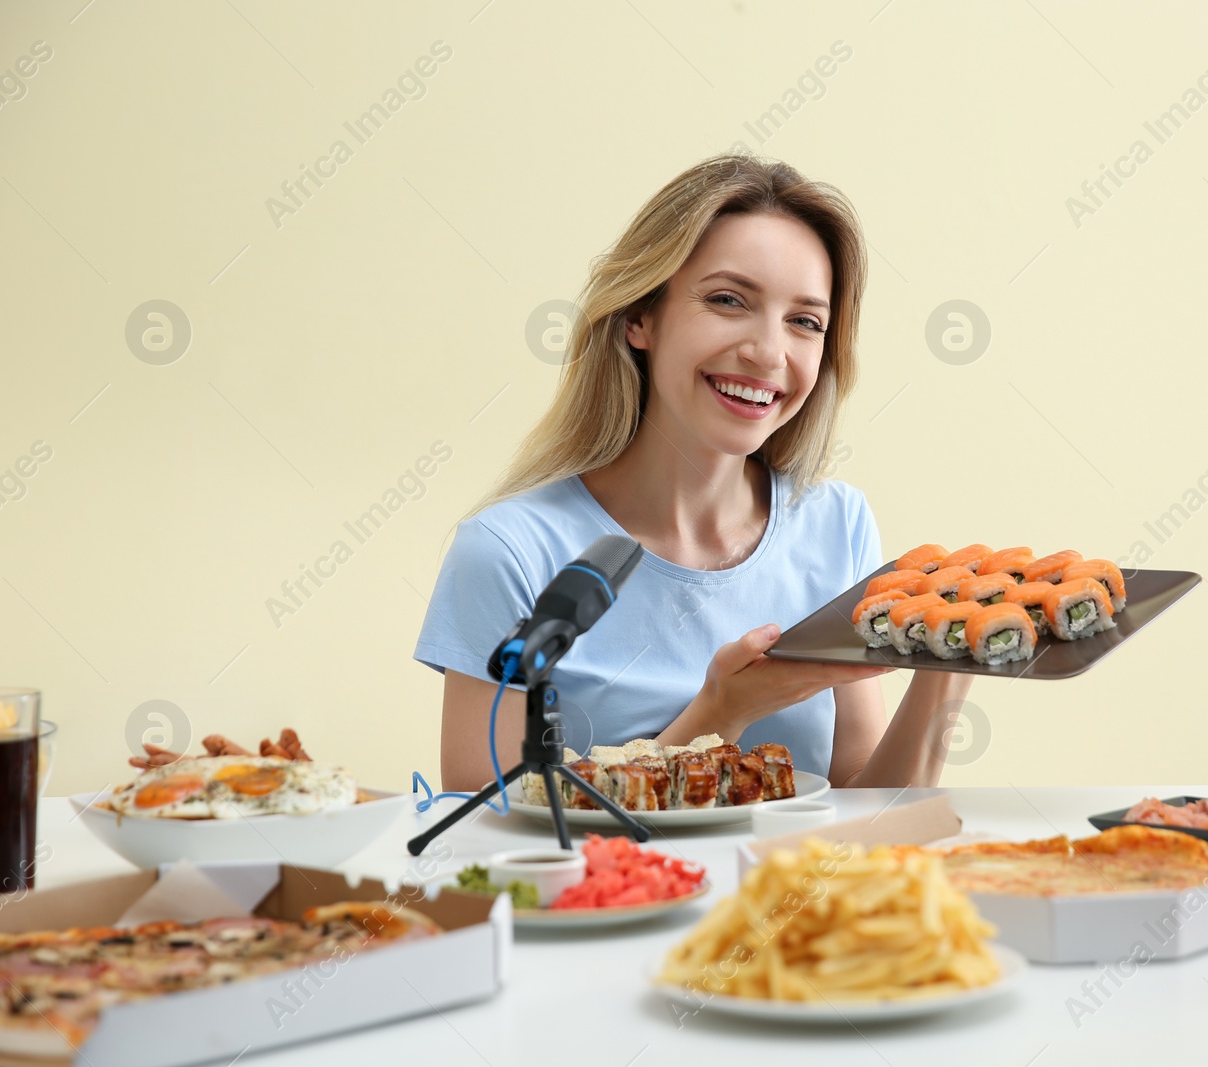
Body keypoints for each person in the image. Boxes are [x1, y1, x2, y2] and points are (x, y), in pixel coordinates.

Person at [414, 154, 972, 791]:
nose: (768, 353)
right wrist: (721, 713)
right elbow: (494, 839)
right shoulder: (510, 553)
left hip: (802, 896)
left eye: (805, 322)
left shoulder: (835, 524)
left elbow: (871, 815)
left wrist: (951, 659)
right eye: (729, 301)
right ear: (640, 317)